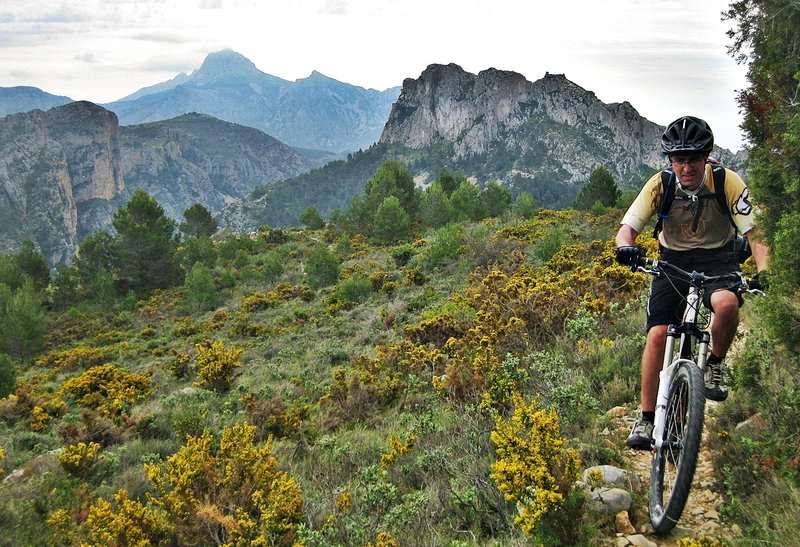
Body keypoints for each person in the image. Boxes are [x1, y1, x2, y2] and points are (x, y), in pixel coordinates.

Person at [614, 115, 770, 450]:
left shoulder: (727, 182)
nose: (687, 167)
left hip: (719, 257)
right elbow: (628, 228)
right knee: (658, 334)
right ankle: (645, 418)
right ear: (671, 160)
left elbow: (757, 235)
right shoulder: (661, 184)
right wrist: (625, 247)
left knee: (726, 304)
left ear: (706, 157)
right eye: (680, 159)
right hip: (673, 261)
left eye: (694, 159)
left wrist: (764, 270)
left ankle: (714, 362)